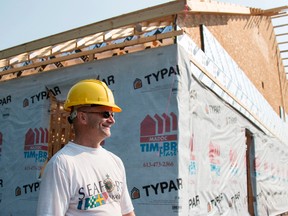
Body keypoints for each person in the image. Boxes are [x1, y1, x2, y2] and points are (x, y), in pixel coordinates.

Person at [37, 79, 135, 216]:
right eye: (105, 114)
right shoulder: (62, 164)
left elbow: (127, 213)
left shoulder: (115, 162)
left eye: (112, 114)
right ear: (83, 117)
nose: (112, 120)